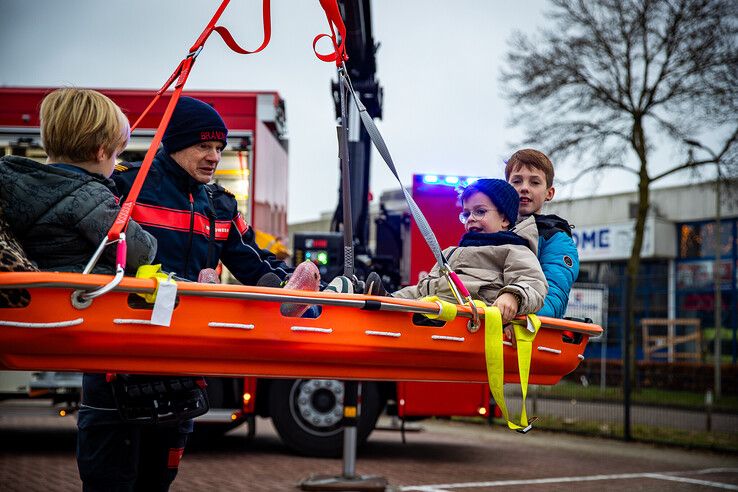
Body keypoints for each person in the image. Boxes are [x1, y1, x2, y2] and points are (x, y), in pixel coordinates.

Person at [87, 95, 293, 491]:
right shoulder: (126, 189)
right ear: (175, 143)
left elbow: (252, 261)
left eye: (219, 148)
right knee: (108, 483)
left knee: (157, 481)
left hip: (180, 367)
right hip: (119, 365)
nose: (214, 156)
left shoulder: (220, 206)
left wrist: (290, 289)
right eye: (204, 146)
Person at [0, 88, 156, 274]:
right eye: (116, 155)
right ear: (102, 152)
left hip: (35, 292)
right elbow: (141, 253)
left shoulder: (11, 181)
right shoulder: (89, 197)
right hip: (79, 295)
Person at [385, 179, 548, 324]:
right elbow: (422, 289)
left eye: (480, 211)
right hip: (431, 321)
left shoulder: (514, 251)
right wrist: (391, 299)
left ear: (504, 219)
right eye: (466, 213)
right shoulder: (449, 254)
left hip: (471, 328)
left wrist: (513, 297)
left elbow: (533, 284)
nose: (470, 218)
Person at [505, 149, 579, 318]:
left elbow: (553, 300)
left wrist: (513, 316)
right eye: (516, 181)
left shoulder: (556, 239)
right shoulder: (494, 231)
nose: (524, 188)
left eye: (535, 182)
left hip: (526, 336)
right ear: (505, 188)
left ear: (549, 193)